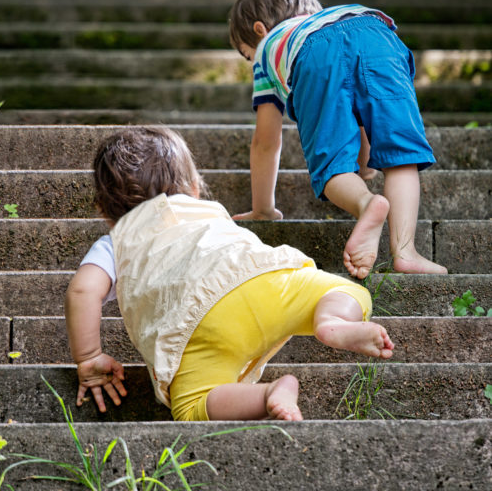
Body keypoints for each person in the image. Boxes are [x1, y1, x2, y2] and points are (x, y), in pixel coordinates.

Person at [65, 125, 394, 422]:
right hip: (261, 281)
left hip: (194, 327)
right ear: (194, 188)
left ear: (104, 212)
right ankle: (332, 319)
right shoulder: (205, 213)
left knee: (192, 405)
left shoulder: (117, 241)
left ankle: (268, 393)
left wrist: (90, 357)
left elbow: (82, 291)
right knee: (350, 291)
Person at [229, 0, 447, 279]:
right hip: (376, 30)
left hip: (314, 55)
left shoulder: (270, 47)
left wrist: (263, 210)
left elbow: (266, 142)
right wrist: (366, 163)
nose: (251, 59)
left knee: (332, 166)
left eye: (246, 54)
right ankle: (406, 251)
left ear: (258, 31)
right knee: (401, 154)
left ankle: (366, 202)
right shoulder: (331, 17)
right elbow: (361, 111)